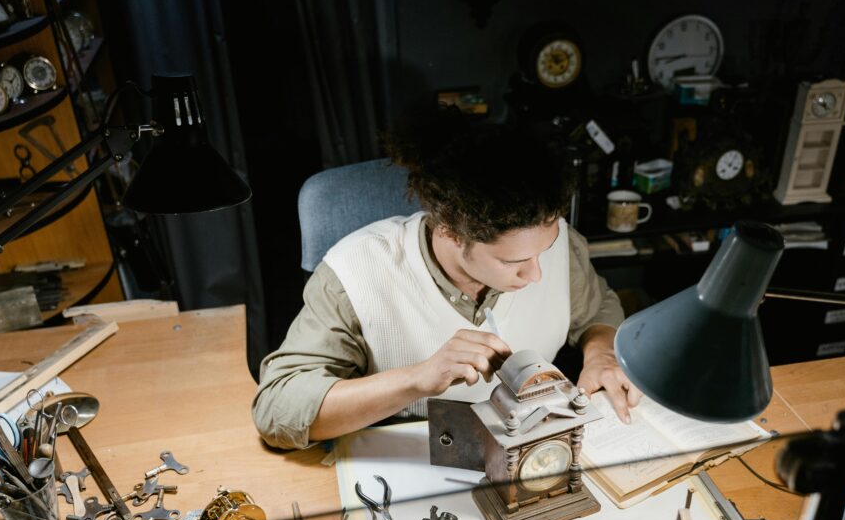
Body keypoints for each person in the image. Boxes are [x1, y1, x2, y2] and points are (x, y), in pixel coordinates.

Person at [253, 107, 641, 449]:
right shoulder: (353, 273)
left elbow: (597, 308)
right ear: (452, 234)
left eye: (543, 251)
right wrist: (418, 379)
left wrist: (603, 352)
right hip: (411, 465)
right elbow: (277, 409)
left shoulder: (558, 244)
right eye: (514, 261)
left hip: (533, 445)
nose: (536, 273)